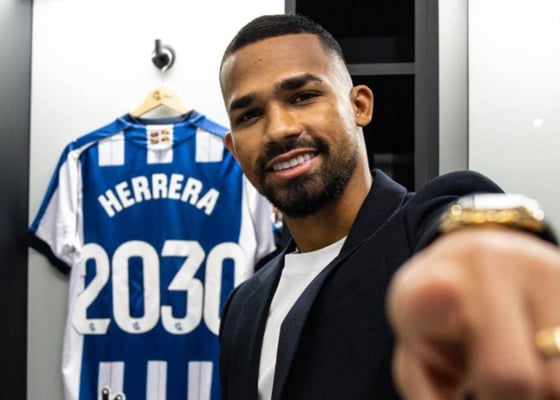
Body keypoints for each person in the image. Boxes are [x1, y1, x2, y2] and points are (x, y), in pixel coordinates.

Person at [217, 13, 560, 400]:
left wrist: (491, 267)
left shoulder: (420, 231)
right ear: (234, 149)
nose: (279, 129)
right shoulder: (242, 309)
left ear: (360, 106)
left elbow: (468, 236)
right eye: (250, 115)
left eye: (303, 97)